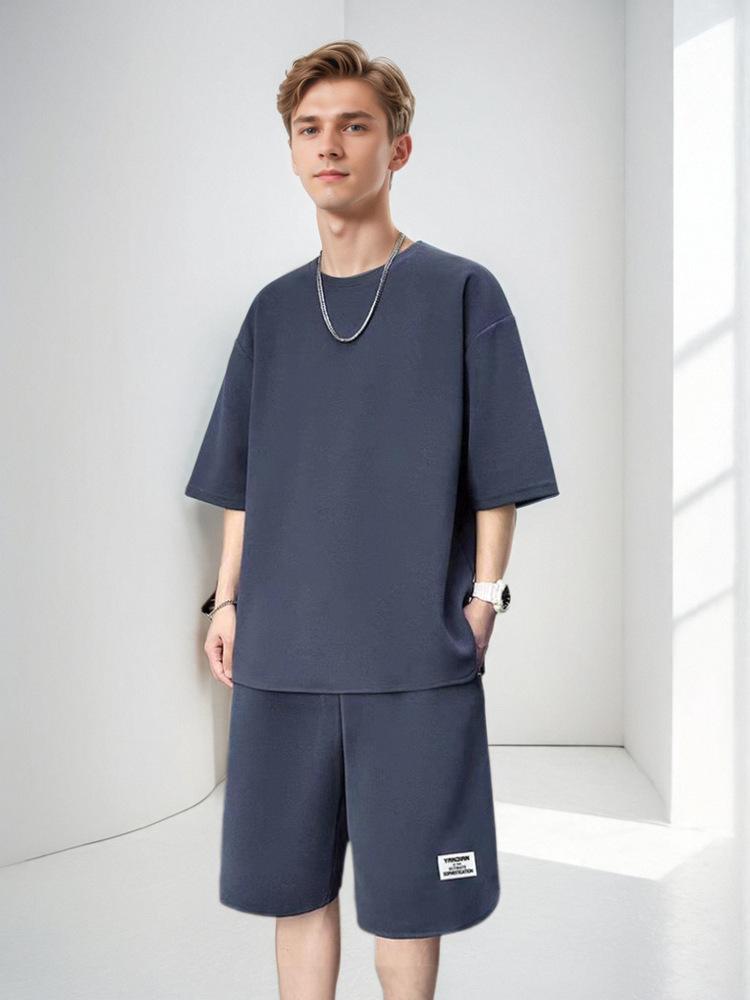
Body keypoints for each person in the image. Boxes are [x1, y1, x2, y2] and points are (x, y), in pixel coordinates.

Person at [184, 39, 559, 1000]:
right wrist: (226, 601)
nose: (329, 145)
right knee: (294, 892)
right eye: (309, 128)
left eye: (354, 125)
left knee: (409, 903)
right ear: (291, 149)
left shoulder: (462, 293)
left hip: (412, 656)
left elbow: (499, 472)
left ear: (398, 148)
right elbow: (243, 478)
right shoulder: (272, 312)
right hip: (284, 654)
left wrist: (484, 600)